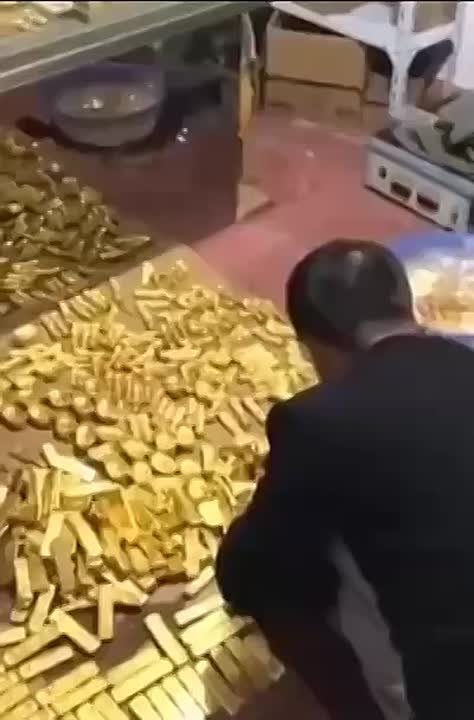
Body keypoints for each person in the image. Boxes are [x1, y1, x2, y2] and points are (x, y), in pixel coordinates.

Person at [216, 239, 474, 720]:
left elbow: (259, 557)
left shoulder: (318, 420)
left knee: (280, 584)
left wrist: (233, 571)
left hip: (451, 694)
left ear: (316, 345)